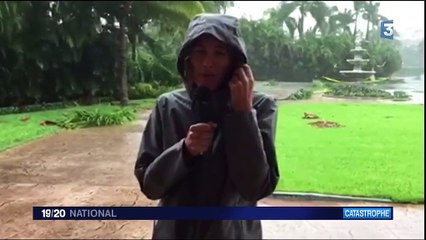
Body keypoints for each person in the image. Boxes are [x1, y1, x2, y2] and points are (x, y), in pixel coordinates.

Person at [134, 13, 280, 239]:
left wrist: (242, 115)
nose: (208, 62)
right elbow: (150, 187)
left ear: (234, 62)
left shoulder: (260, 107)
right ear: (188, 58)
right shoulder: (168, 106)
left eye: (219, 53)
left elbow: (254, 188)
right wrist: (184, 151)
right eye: (200, 51)